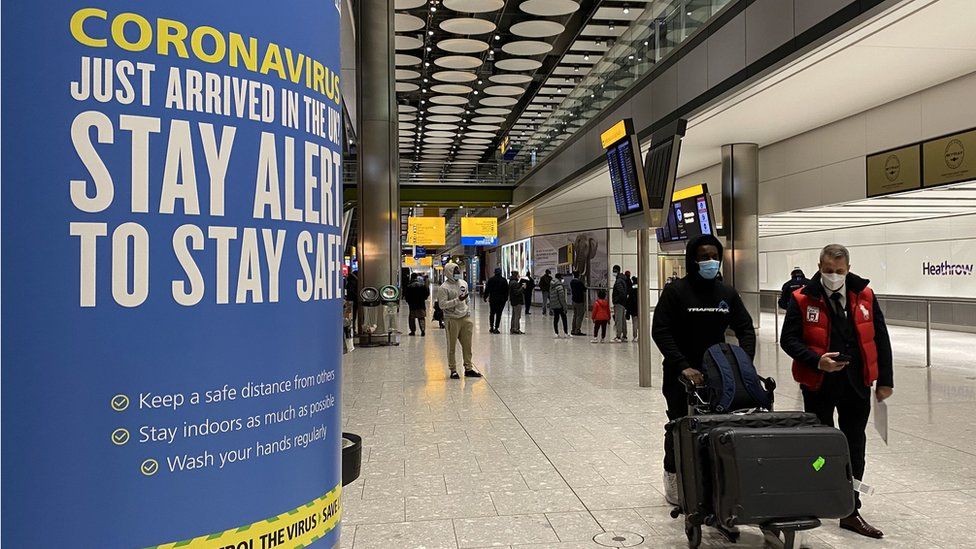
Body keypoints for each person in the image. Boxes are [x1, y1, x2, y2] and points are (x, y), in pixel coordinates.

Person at [781, 244, 893, 539]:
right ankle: (819, 493)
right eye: (828, 270)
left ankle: (850, 508)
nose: (833, 276)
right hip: (818, 383)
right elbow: (788, 340)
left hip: (857, 382)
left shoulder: (865, 295)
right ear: (819, 266)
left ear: (848, 268)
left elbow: (880, 338)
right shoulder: (802, 298)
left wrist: (885, 381)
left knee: (854, 443)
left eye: (839, 271)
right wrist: (817, 360)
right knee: (819, 445)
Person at [651, 234, 756, 506]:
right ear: (692, 260)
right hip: (679, 374)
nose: (710, 261)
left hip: (718, 374)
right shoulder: (676, 292)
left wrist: (743, 362)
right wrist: (683, 365)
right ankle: (673, 477)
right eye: (704, 256)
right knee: (677, 424)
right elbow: (660, 331)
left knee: (716, 427)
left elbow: (745, 328)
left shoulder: (727, 293)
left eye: (714, 256)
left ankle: (711, 481)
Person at [436, 262, 482, 379]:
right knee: (451, 346)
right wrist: (457, 300)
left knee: (467, 345)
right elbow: (442, 305)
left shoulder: (463, 283)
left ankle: (468, 368)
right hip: (452, 319)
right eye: (455, 271)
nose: (457, 273)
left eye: (458, 271)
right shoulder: (444, 288)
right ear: (449, 272)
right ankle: (453, 370)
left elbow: (467, 299)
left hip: (465, 318)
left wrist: (468, 311)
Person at [483, 267, 509, 334]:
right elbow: (507, 290)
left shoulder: (491, 280)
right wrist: (506, 298)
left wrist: (485, 297)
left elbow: (487, 289)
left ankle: (491, 327)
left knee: (492, 313)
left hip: (493, 299)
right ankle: (496, 328)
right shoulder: (504, 280)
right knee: (499, 314)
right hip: (501, 300)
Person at [611, 265, 629, 342]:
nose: (613, 272)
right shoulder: (623, 279)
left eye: (614, 271)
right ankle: (624, 335)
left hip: (619, 303)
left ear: (616, 271)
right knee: (622, 319)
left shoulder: (618, 281)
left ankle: (618, 336)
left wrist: (616, 300)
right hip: (623, 303)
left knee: (618, 320)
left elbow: (621, 292)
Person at [550, 273, 569, 338]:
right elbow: (562, 298)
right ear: (559, 278)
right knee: (564, 319)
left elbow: (551, 297)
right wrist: (565, 307)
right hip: (560, 306)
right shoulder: (560, 287)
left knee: (556, 319)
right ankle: (566, 333)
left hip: (554, 305)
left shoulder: (552, 285)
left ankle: (556, 333)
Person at [570, 271, 587, 336]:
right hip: (580, 301)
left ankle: (573, 329)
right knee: (579, 316)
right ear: (579, 275)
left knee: (575, 315)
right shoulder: (579, 282)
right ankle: (577, 330)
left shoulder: (572, 282)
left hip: (574, 300)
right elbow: (584, 289)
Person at [345, 270, 359, 335]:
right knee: (353, 316)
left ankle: (350, 330)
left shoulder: (349, 281)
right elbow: (353, 291)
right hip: (353, 301)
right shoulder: (354, 281)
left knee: (350, 316)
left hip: (349, 300)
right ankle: (352, 330)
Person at [626, 275, 639, 342]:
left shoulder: (631, 290)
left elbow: (629, 301)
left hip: (633, 310)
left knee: (635, 323)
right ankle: (641, 335)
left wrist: (628, 311)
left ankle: (635, 337)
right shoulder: (641, 290)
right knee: (640, 324)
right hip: (640, 309)